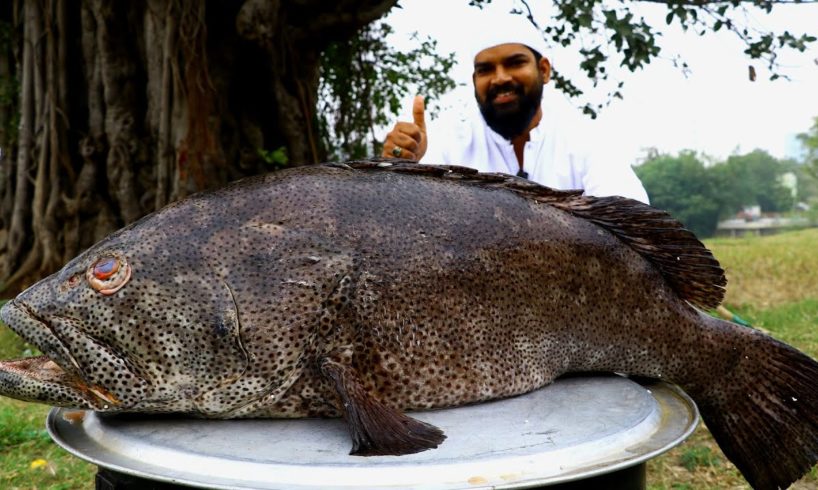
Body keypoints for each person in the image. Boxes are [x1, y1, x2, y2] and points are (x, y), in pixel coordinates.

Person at [381, 15, 649, 204]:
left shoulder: (586, 142)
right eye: (485, 70)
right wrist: (401, 170)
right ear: (474, 81)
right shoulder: (446, 146)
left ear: (543, 70)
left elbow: (636, 228)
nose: (499, 78)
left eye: (514, 63)